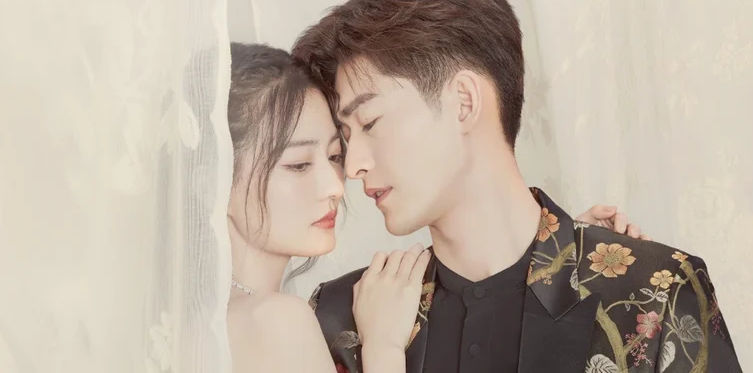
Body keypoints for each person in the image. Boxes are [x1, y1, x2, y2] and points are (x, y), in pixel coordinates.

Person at [292, 0, 742, 372]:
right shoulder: (340, 317)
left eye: (370, 122)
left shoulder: (654, 292)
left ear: (464, 102)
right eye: (345, 138)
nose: (353, 166)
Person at [224, 43, 650, 373]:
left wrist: (550, 247)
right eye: (298, 165)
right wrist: (384, 347)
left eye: (335, 155)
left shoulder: (229, 318)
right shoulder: (279, 319)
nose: (337, 184)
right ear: (217, 176)